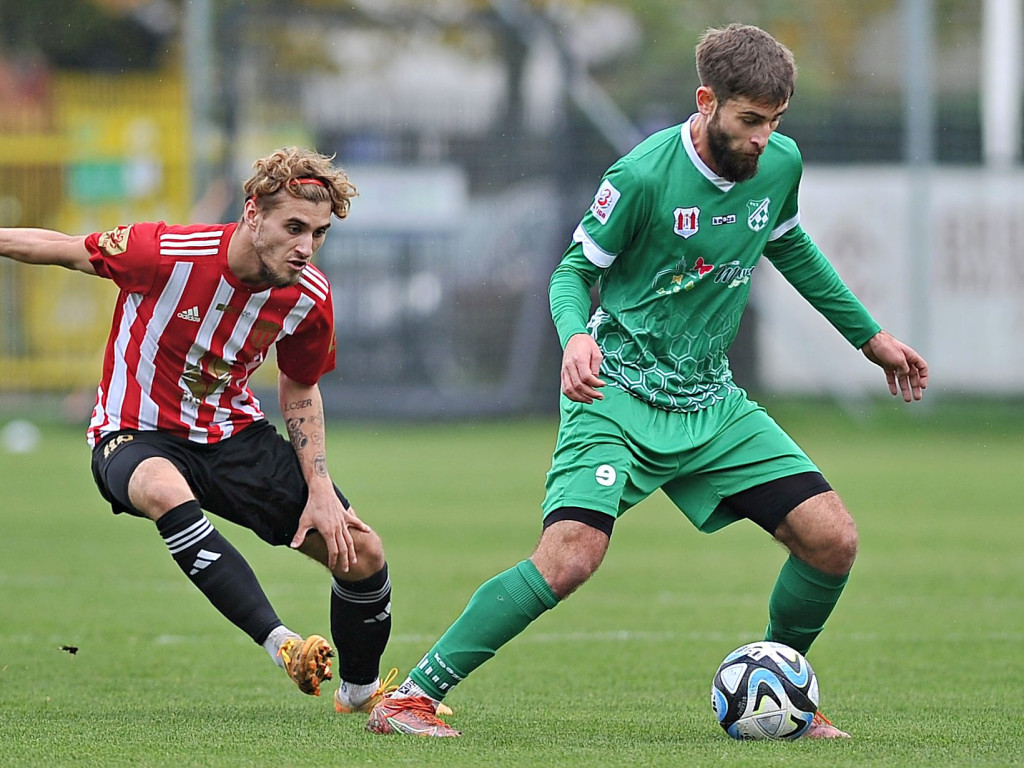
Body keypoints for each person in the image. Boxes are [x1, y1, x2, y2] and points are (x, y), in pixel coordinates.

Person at [365, 23, 928, 739]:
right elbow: (573, 272)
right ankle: (410, 697)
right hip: (619, 394)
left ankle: (780, 692)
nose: (762, 137)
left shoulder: (781, 164)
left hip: (709, 401)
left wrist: (870, 338)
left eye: (774, 122)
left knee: (831, 540)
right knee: (570, 558)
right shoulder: (640, 176)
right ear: (707, 101)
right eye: (749, 120)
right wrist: (574, 337)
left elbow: (791, 246)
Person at [0, 147, 398, 715]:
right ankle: (283, 644)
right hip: (133, 432)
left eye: (319, 233)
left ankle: (360, 695)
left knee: (360, 551)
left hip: (232, 437)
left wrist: (321, 489)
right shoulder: (163, 252)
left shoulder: (309, 297)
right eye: (293, 228)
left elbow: (301, 387)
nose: (306, 247)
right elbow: (61, 249)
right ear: (253, 211)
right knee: (164, 488)